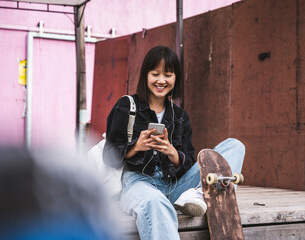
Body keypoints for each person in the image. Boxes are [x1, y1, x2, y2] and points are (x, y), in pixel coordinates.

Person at [103, 46, 245, 240]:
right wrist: (137, 146)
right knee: (156, 203)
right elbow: (108, 155)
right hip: (138, 184)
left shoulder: (180, 116)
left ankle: (199, 194)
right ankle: (204, 193)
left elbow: (189, 164)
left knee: (235, 145)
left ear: (175, 78)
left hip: (176, 186)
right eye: (155, 74)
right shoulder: (126, 106)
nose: (161, 81)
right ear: (146, 75)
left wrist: (172, 153)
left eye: (168, 75)